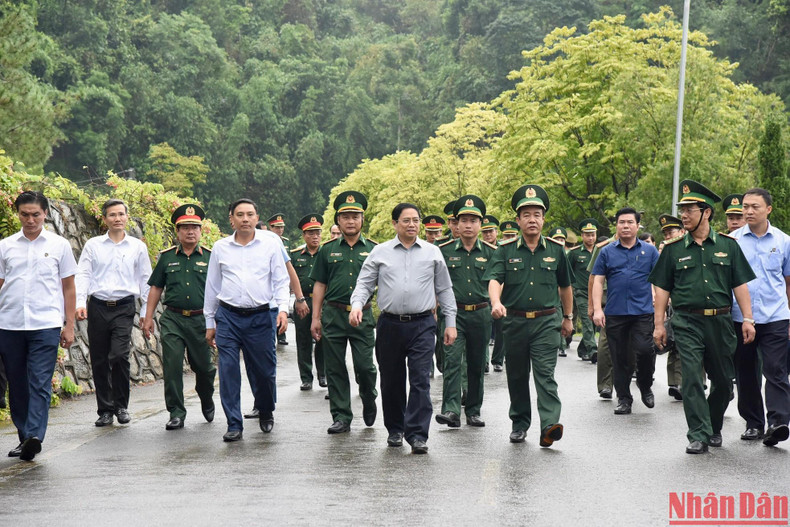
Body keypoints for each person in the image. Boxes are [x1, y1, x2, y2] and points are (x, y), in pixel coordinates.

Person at [650, 180, 756, 454]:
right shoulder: (673, 249)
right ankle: (698, 433)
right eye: (682, 210)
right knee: (693, 379)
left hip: (720, 322)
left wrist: (748, 318)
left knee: (723, 381)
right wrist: (659, 325)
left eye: (690, 209)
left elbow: (740, 285)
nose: (683, 215)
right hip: (686, 321)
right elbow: (662, 289)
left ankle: (713, 424)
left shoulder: (728, 246)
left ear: (706, 212)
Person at [350, 203, 457, 454]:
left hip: (422, 324)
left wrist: (450, 323)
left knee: (421, 379)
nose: (412, 224)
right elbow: (364, 284)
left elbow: (444, 289)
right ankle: (396, 429)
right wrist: (356, 306)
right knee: (391, 380)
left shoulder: (432, 252)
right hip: (390, 324)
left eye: (415, 220)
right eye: (406, 220)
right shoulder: (380, 252)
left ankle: (418, 434)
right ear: (395, 223)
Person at [484, 184, 573, 447]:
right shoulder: (505, 249)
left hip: (547, 321)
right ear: (519, 220)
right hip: (515, 321)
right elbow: (493, 279)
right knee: (517, 375)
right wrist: (496, 302)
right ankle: (520, 423)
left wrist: (568, 317)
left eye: (537, 214)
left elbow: (566, 286)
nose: (532, 219)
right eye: (526, 214)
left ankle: (549, 426)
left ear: (543, 219)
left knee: (545, 374)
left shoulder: (557, 251)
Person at [204, 198, 290, 442]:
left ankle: (265, 409)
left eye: (250, 214)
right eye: (239, 215)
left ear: (256, 217)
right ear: (231, 218)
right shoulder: (220, 247)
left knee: (264, 372)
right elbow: (212, 286)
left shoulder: (270, 246)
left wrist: (283, 309)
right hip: (228, 317)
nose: (245, 219)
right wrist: (210, 322)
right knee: (229, 371)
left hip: (261, 317)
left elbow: (281, 280)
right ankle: (234, 423)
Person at [0, 191, 77, 461]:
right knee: (17, 383)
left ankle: (34, 435)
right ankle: (25, 437)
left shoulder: (59, 245)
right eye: (24, 214)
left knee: (40, 381)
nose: (30, 219)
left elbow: (68, 288)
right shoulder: (5, 246)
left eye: (35, 214)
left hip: (45, 324)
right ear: (18, 214)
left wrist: (69, 325)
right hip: (9, 325)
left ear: (45, 213)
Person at [76, 199, 152, 427]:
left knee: (119, 355)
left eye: (121, 214)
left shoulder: (138, 247)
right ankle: (105, 410)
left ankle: (121, 405)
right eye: (112, 215)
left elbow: (145, 280)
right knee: (99, 359)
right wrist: (80, 302)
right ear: (105, 219)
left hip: (124, 306)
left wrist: (147, 311)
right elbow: (83, 275)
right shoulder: (93, 245)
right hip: (98, 305)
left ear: (127, 217)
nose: (117, 218)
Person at [142, 204, 216, 431]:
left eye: (194, 227)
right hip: (173, 319)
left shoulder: (211, 258)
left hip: (200, 321)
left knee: (204, 368)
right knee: (172, 365)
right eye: (185, 228)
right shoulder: (166, 258)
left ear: (201, 231)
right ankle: (176, 412)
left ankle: (206, 396)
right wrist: (148, 317)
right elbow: (155, 288)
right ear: (177, 231)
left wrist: (216, 321)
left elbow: (217, 291)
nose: (190, 232)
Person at [310, 191, 379, 435]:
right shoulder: (327, 250)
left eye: (355, 216)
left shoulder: (374, 249)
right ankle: (341, 416)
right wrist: (316, 318)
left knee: (365, 367)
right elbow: (319, 285)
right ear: (338, 221)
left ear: (362, 219)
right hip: (334, 315)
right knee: (335, 367)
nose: (350, 221)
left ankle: (369, 397)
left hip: (363, 316)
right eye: (346, 217)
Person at [730, 188, 790, 447]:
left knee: (776, 369)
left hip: (776, 315)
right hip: (740, 316)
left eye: (755, 206)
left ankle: (778, 422)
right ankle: (754, 423)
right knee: (746, 371)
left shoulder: (784, 241)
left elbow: (788, 282)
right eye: (745, 207)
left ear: (768, 209)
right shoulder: (732, 241)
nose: (748, 211)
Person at [591, 207, 659, 415]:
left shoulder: (650, 252)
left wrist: (659, 305)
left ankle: (645, 385)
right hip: (616, 312)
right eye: (621, 222)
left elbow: (658, 280)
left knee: (646, 351)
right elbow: (597, 281)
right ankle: (624, 398)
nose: (626, 226)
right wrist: (596, 310)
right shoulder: (607, 251)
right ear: (616, 226)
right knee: (619, 358)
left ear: (638, 226)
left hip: (642, 312)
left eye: (630, 222)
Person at [436, 196, 495, 429]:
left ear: (480, 224)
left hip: (481, 313)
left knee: (476, 363)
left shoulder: (492, 252)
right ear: (456, 224)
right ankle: (451, 410)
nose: (468, 225)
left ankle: (473, 410)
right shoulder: (443, 251)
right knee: (451, 360)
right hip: (453, 314)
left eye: (473, 220)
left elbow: (499, 282)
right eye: (464, 220)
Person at [290, 214, 326, 391]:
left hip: (324, 302)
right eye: (311, 233)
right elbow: (290, 278)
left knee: (323, 338)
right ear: (304, 235)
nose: (315, 236)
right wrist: (298, 299)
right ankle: (306, 377)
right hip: (303, 301)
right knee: (303, 338)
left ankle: (323, 374)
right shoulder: (296, 255)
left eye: (318, 233)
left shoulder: (326, 252)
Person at [658, 214, 685, 401]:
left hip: (690, 304)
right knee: (674, 341)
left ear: (682, 231)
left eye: (671, 232)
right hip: (671, 303)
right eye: (665, 233)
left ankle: (692, 381)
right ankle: (675, 383)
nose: (668, 236)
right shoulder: (665, 252)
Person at [567, 218, 599, 361]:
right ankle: (593, 351)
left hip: (597, 294)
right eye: (587, 234)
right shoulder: (574, 253)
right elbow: (567, 273)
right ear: (582, 236)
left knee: (594, 322)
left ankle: (582, 348)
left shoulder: (601, 251)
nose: (590, 237)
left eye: (593, 234)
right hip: (581, 292)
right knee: (586, 320)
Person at [268, 213, 290, 346]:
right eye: (277, 227)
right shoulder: (268, 241)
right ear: (271, 227)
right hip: (272, 282)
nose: (280, 230)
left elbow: (289, 264)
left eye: (282, 227)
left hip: (284, 279)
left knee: (281, 309)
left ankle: (281, 335)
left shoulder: (285, 242)